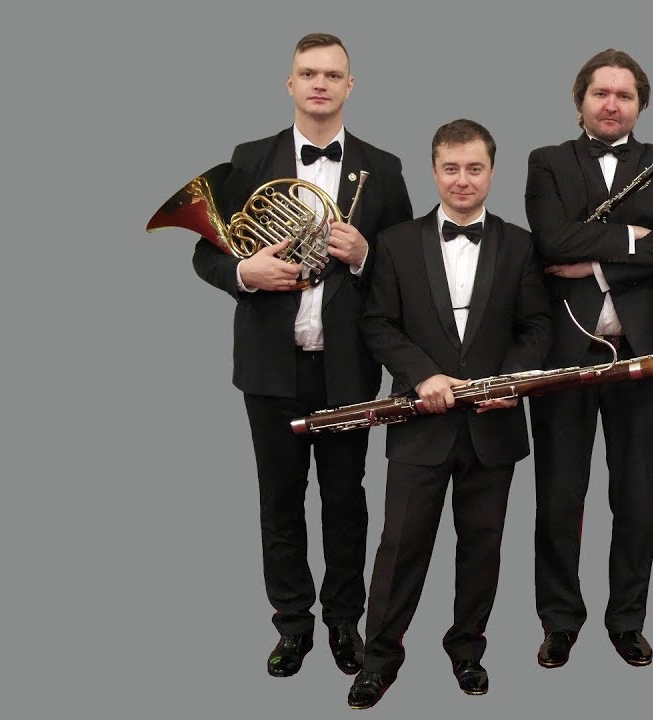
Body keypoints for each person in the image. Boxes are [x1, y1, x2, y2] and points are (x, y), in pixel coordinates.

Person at [191, 33, 412, 678]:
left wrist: (365, 256)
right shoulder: (248, 158)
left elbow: (406, 269)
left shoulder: (383, 167)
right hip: (270, 367)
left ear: (350, 86)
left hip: (347, 366)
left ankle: (344, 620)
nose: (320, 83)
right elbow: (206, 251)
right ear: (289, 83)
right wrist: (245, 271)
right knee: (279, 500)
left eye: (332, 74)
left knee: (345, 499)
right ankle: (292, 624)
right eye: (308, 73)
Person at [347, 120, 551, 709]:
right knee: (400, 547)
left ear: (492, 172)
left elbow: (537, 326)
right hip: (420, 422)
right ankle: (379, 659)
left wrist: (510, 380)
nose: (463, 180)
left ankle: (467, 651)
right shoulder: (394, 243)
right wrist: (423, 376)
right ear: (434, 171)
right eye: (451, 168)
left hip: (495, 423)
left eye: (475, 168)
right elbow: (377, 324)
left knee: (482, 547)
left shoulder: (520, 244)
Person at [524, 48, 653, 669]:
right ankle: (559, 621)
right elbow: (551, 240)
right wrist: (631, 238)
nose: (612, 104)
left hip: (643, 353)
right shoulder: (547, 161)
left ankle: (627, 619)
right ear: (580, 101)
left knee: (637, 496)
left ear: (641, 105)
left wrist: (595, 264)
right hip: (564, 356)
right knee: (559, 496)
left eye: (625, 95)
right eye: (601, 93)